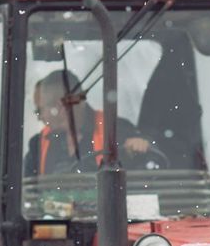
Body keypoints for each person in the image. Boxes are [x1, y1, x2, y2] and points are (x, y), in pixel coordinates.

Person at [24, 69, 152, 176]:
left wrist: (138, 147)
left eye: (40, 110)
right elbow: (27, 193)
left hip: (105, 207)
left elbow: (149, 155)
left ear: (58, 107)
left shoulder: (116, 129)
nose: (39, 117)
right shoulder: (38, 144)